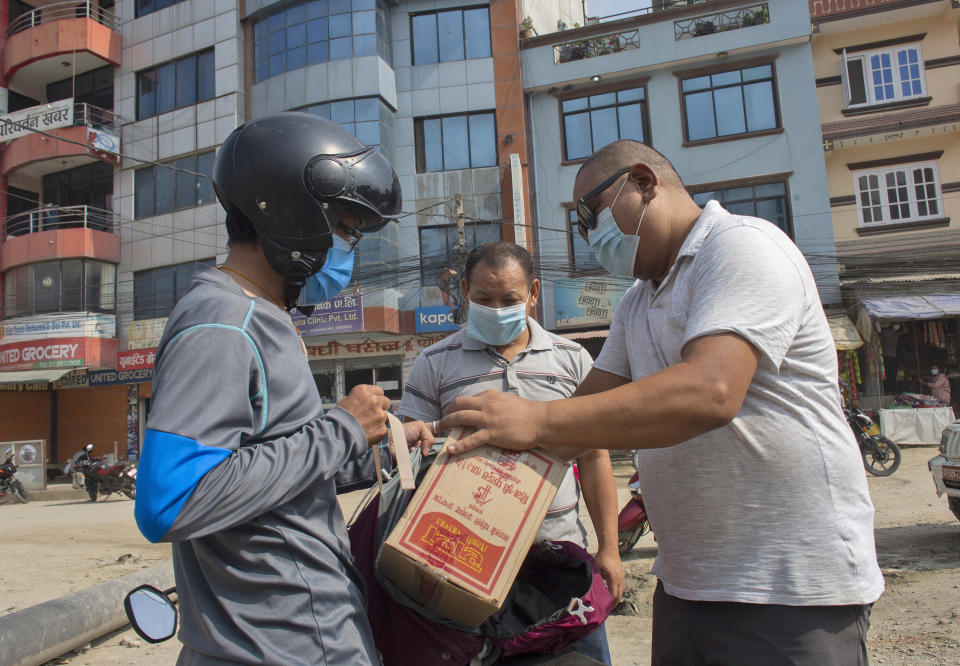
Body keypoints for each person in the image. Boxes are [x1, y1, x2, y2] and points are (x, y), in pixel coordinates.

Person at [439, 140, 884, 664]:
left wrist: (534, 416)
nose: (590, 238)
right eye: (581, 229)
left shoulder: (741, 247)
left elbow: (710, 391)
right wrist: (466, 466)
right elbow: (580, 426)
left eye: (592, 216)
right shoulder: (637, 301)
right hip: (688, 583)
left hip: (788, 586)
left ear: (645, 182)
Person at [134, 113, 434, 664]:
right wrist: (342, 427)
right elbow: (171, 501)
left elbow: (272, 470)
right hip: (281, 640)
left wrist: (388, 449)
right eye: (347, 229)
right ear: (295, 216)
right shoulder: (224, 324)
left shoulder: (260, 315)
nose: (351, 248)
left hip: (290, 633)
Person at [399, 241, 623, 664]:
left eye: (510, 299)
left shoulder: (572, 360)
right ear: (465, 291)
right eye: (483, 298)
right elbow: (410, 457)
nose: (496, 307)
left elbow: (594, 457)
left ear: (534, 293)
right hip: (465, 564)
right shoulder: (434, 363)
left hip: (559, 564)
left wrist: (608, 549)